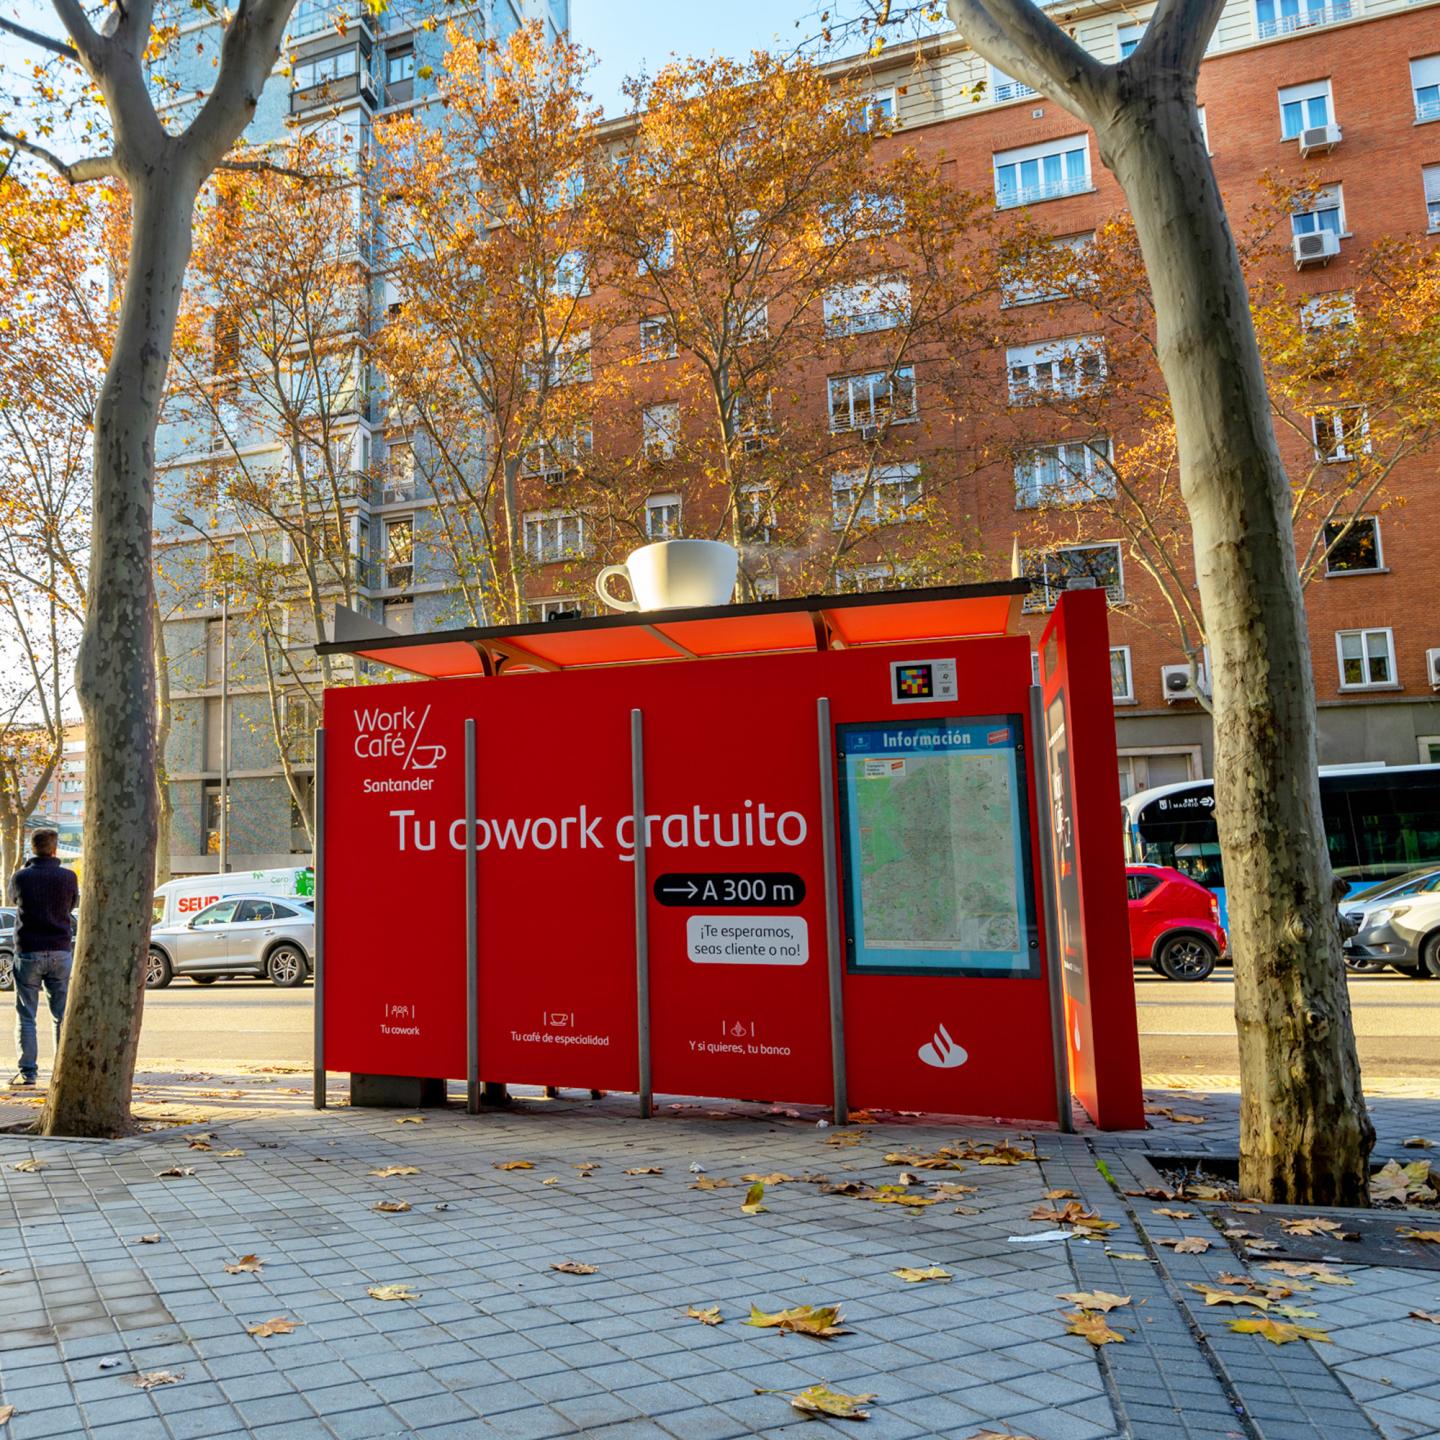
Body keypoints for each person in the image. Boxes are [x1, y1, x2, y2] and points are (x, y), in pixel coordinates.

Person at [7, 829, 79, 1088]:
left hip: (28, 951)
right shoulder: (69, 877)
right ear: (55, 849)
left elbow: (12, 898)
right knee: (61, 1014)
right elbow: (72, 906)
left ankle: (28, 1074)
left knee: (26, 1014)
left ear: (32, 848)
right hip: (60, 950)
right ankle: (63, 1073)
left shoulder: (22, 877)